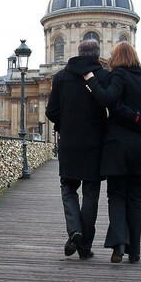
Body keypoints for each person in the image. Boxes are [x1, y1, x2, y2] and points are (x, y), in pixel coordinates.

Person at [83, 41, 141, 264]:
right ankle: (135, 251)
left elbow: (110, 101)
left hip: (119, 145)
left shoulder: (118, 76)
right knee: (136, 200)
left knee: (116, 196)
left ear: (117, 57)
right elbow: (135, 109)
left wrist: (91, 80)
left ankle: (119, 246)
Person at [45, 39, 108, 260]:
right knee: (91, 194)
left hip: (70, 144)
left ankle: (75, 231)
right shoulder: (103, 77)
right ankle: (85, 247)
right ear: (98, 55)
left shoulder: (61, 77)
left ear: (78, 52)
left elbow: (51, 112)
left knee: (68, 189)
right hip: (95, 145)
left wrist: (66, 127)